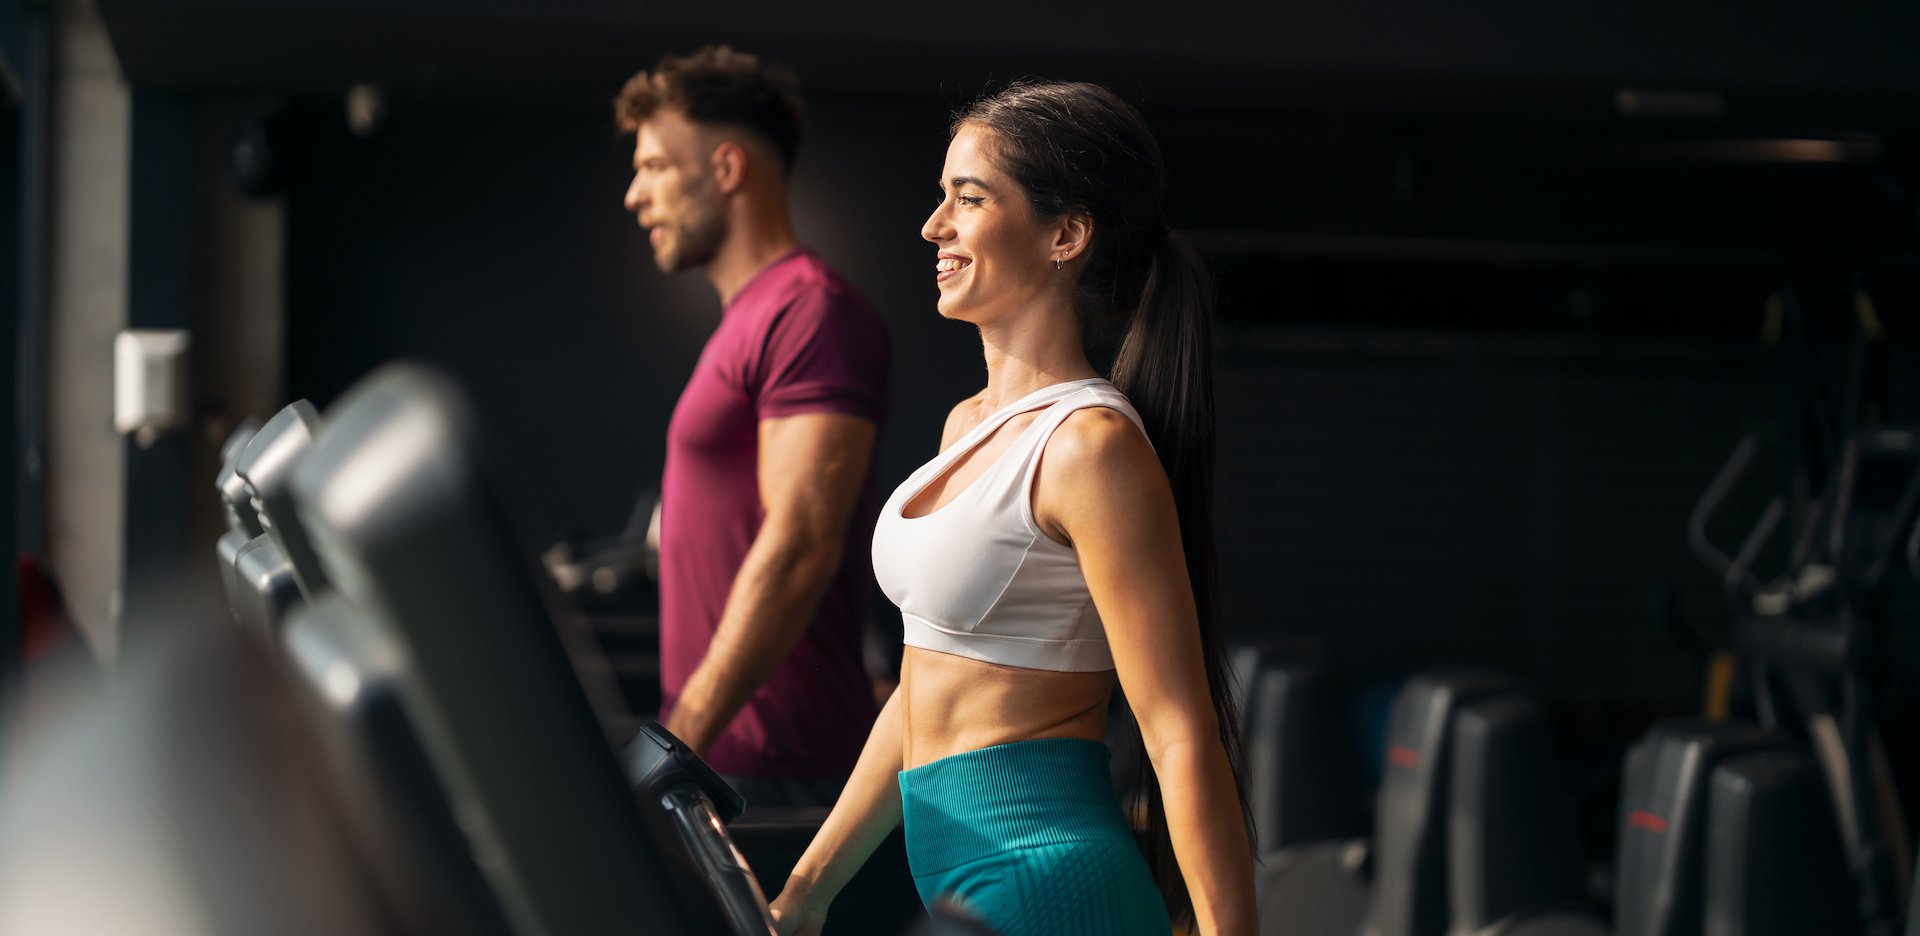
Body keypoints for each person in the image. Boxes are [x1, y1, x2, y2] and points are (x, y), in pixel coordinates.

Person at [767, 80, 1256, 935]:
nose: (934, 226)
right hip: (962, 882)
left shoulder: (1090, 447)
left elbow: (1179, 729)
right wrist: (808, 891)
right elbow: (923, 686)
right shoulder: (969, 426)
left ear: (1065, 234)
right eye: (941, 197)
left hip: (1051, 884)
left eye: (970, 198)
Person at [615, 46, 890, 808]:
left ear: (727, 168)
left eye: (657, 167)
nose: (636, 196)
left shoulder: (810, 311)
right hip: (726, 757)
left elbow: (801, 543)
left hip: (776, 770)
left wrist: (681, 740)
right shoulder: (750, 320)